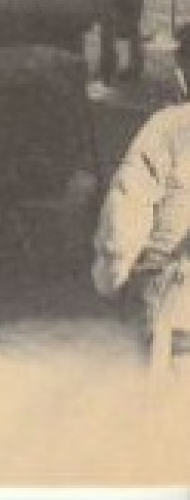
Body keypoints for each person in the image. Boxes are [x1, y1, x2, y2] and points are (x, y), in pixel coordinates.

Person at [93, 27, 190, 353]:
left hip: (174, 296)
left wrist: (111, 277)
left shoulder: (169, 127)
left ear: (182, 72)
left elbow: (125, 212)